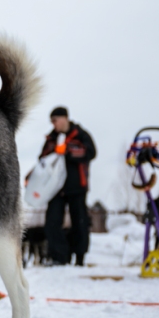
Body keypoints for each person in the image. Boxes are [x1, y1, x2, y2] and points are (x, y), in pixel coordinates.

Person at [39, 107, 96, 266]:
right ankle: (59, 257)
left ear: (64, 118)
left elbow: (91, 152)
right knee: (52, 222)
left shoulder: (81, 135)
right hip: (55, 188)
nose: (53, 124)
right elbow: (42, 158)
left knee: (80, 222)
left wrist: (69, 150)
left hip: (77, 186)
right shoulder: (51, 138)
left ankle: (79, 257)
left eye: (55, 120)